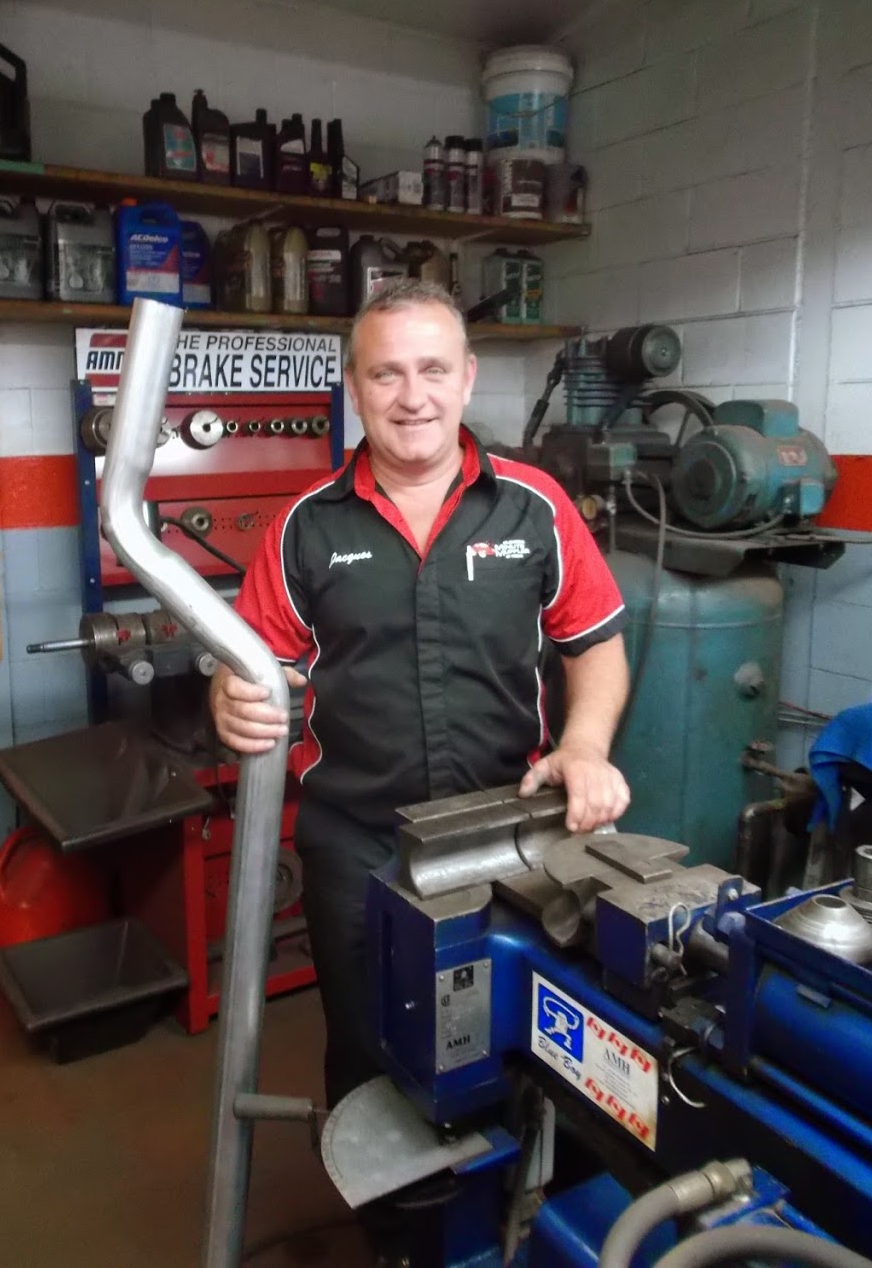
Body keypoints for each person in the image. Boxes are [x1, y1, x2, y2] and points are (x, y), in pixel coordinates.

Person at [210, 279, 631, 1115]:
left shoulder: (536, 507)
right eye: (386, 373)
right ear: (355, 386)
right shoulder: (304, 527)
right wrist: (227, 696)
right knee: (369, 1050)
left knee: (519, 1044)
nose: (413, 396)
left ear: (467, 377)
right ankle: (383, 1196)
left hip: (511, 828)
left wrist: (583, 746)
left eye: (433, 369)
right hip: (358, 843)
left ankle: (503, 1187)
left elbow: (595, 644)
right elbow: (249, 669)